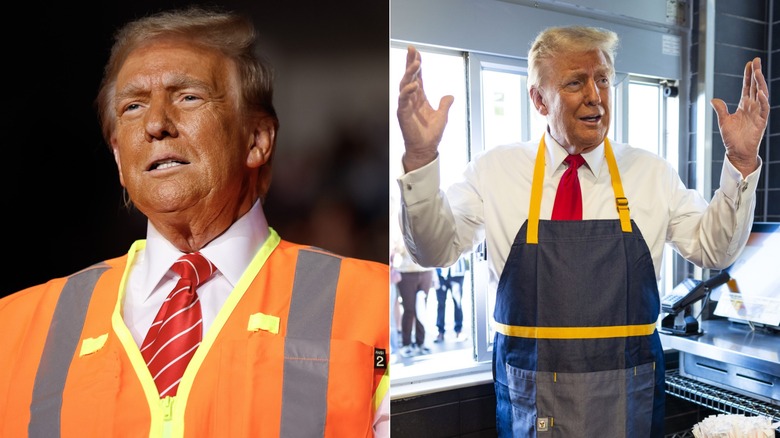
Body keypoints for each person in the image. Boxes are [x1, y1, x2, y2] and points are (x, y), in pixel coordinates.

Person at [0, 7, 389, 437]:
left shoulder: (376, 305)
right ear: (117, 158)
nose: (155, 124)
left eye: (187, 97)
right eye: (132, 106)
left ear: (257, 139)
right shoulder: (13, 328)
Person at [396, 26, 767, 437]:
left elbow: (714, 250)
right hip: (530, 403)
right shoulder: (494, 171)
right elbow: (433, 251)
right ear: (539, 99)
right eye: (576, 82)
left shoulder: (651, 173)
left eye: (603, 78)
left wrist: (741, 162)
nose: (596, 95)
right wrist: (420, 158)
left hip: (629, 407)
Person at [392, 237, 434, 358]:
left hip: (426, 271)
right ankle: (406, 344)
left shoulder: (427, 225)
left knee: (422, 309)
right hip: (406, 273)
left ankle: (421, 343)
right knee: (409, 309)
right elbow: (397, 249)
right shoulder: (401, 224)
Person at [434, 256, 467, 343]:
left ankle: (459, 330)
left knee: (458, 303)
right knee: (440, 303)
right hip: (440, 272)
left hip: (457, 272)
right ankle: (440, 331)